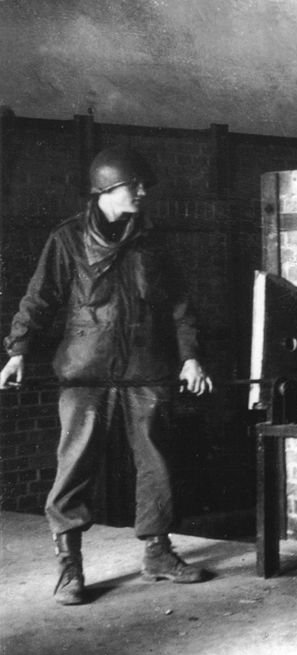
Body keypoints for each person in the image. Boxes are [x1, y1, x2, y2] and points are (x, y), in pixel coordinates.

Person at [0, 146, 214, 605]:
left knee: (156, 465)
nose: (141, 192)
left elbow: (180, 306)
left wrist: (190, 357)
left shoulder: (154, 242)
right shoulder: (67, 240)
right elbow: (39, 298)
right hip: (85, 373)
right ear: (106, 190)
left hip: (146, 370)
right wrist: (18, 351)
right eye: (133, 185)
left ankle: (157, 553)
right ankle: (69, 568)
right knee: (74, 468)